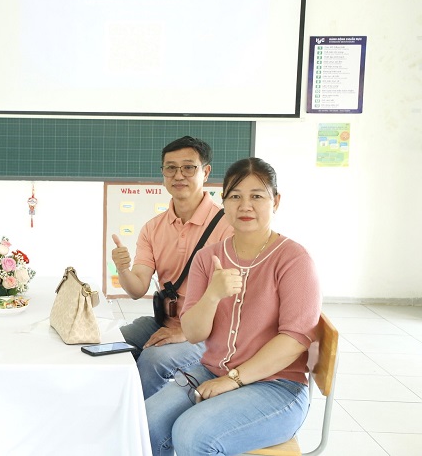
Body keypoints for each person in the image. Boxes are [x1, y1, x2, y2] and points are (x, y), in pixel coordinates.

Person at [145, 157, 322, 456]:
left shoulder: (294, 259)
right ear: (224, 202)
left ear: (276, 201)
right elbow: (194, 333)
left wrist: (233, 380)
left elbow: (294, 340)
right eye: (235, 196)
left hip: (277, 387)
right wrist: (212, 296)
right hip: (211, 372)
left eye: (257, 196)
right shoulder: (207, 258)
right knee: (148, 422)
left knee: (192, 434)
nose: (245, 206)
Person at [112, 136, 233, 399]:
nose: (179, 175)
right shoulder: (153, 228)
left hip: (209, 333)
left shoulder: (228, 227)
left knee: (154, 360)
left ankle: (140, 419)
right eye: (170, 168)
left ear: (205, 172)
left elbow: (235, 303)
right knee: (110, 342)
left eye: (188, 167)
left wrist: (185, 332)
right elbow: (137, 289)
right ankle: (112, 406)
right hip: (164, 322)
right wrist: (123, 269)